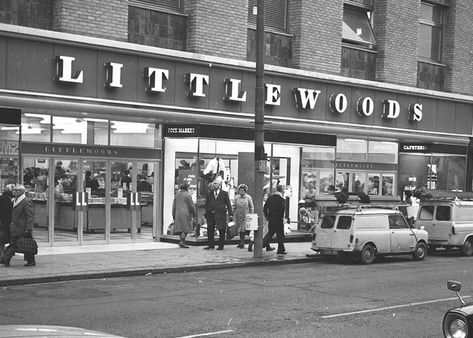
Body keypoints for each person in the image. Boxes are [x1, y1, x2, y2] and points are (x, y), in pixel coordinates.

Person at [0, 184, 36, 267]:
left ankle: (6, 259)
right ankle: (6, 259)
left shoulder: (26, 201)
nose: (14, 192)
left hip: (22, 227)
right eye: (14, 190)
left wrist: (29, 228)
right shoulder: (14, 200)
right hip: (15, 227)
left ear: (21, 192)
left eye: (16, 190)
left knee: (24, 244)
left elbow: (29, 216)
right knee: (14, 243)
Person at [203, 176, 233, 250]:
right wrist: (207, 212)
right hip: (211, 214)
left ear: (219, 185)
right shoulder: (210, 193)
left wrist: (230, 214)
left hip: (220, 214)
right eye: (214, 183)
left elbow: (228, 204)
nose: (214, 185)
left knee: (221, 230)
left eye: (216, 183)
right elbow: (206, 204)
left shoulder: (224, 193)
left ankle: (221, 245)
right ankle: (211, 244)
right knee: (210, 230)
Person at [263, 184, 287, 255]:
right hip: (278, 219)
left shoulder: (270, 198)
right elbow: (282, 209)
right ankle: (280, 249)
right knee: (280, 235)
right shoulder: (282, 199)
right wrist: (282, 217)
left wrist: (267, 216)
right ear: (282, 190)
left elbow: (265, 208)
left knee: (271, 232)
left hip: (271, 219)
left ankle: (263, 242)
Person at [172, 182, 196, 248]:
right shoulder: (187, 195)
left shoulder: (177, 195)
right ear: (187, 188)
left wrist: (173, 214)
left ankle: (182, 241)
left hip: (177, 213)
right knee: (185, 228)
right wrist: (194, 213)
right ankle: (182, 241)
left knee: (180, 228)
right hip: (185, 213)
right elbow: (191, 206)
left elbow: (174, 205)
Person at [233, 184, 254, 251]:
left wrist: (251, 214)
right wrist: (232, 213)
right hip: (238, 215)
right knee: (240, 229)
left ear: (245, 191)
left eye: (242, 190)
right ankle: (241, 241)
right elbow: (234, 206)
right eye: (240, 190)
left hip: (246, 216)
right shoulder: (236, 198)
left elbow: (251, 207)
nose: (241, 192)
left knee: (244, 229)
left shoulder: (248, 197)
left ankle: (242, 242)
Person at [0, 184, 14, 258]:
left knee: (5, 238)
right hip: (4, 221)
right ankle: (3, 253)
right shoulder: (3, 198)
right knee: (2, 238)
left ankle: (5, 253)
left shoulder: (11, 198)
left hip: (8, 222)